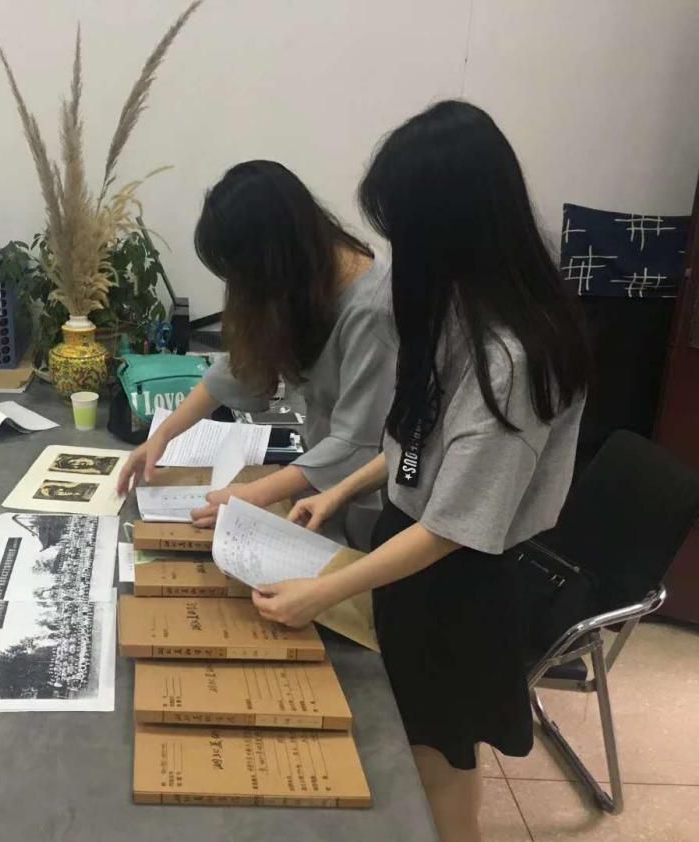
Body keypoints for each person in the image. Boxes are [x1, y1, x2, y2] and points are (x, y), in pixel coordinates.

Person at [253, 102, 591, 842]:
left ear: (452, 231)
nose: (397, 255)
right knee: (421, 750)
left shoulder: (512, 359)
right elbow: (417, 443)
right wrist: (339, 491)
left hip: (459, 585)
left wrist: (324, 590)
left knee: (439, 764)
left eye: (406, 233)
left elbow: (453, 527)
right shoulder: (457, 310)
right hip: (412, 558)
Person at [116, 160, 396, 550]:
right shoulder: (309, 274)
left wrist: (254, 495)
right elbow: (242, 366)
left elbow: (357, 443)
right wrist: (162, 434)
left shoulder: (372, 308)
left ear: (271, 258)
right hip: (319, 477)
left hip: (368, 497)